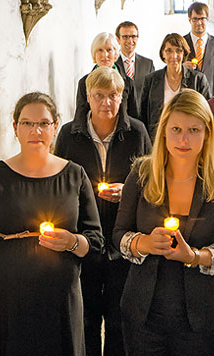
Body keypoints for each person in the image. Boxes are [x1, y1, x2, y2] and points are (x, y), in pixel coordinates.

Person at [112, 89, 214, 355]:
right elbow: (118, 234)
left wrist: (196, 256)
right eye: (176, 129)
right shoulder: (141, 174)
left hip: (203, 320)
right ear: (163, 131)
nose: (183, 139)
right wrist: (145, 243)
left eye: (193, 130)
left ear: (207, 133)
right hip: (144, 316)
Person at [0, 92, 104, 356]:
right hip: (8, 305)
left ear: (55, 126)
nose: (35, 130)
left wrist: (73, 242)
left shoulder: (75, 175)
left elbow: (96, 243)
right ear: (15, 128)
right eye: (27, 123)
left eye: (43, 123)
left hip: (61, 304)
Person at [54, 69, 151, 356]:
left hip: (124, 242)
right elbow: (59, 184)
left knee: (120, 317)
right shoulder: (70, 134)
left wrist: (128, 192)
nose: (106, 103)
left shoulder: (136, 132)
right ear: (88, 97)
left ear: (122, 97)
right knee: (87, 318)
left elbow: (151, 183)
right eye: (99, 96)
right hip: (85, 240)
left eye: (113, 96)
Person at [140, 34, 213, 133]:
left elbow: (207, 113)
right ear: (163, 54)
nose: (174, 56)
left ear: (184, 54)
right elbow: (143, 115)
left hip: (188, 138)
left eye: (178, 51)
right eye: (169, 50)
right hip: (157, 138)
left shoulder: (198, 79)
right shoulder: (151, 80)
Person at [77, 32, 139, 122]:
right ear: (94, 54)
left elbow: (134, 116)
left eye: (109, 50)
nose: (105, 55)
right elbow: (80, 116)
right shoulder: (84, 82)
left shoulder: (128, 82)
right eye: (100, 50)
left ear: (115, 54)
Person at [183, 2, 214, 87]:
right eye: (195, 19)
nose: (199, 23)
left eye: (202, 18)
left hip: (211, 95)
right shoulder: (181, 43)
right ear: (189, 20)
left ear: (208, 19)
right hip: (188, 94)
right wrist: (181, 67)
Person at [117, 21, 155, 97]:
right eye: (125, 37)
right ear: (118, 40)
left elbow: (152, 93)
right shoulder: (112, 64)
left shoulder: (148, 64)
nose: (130, 40)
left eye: (133, 36)